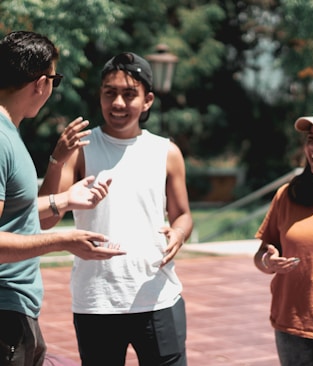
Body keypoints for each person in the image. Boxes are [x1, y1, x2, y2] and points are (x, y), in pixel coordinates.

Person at [39, 51, 193, 366]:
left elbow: (183, 214)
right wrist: (57, 160)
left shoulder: (166, 152)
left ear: (147, 100)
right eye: (110, 93)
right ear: (100, 96)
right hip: (97, 300)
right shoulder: (80, 149)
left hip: (158, 296)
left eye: (129, 94)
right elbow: (44, 220)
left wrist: (178, 234)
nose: (118, 103)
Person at [0, 30, 126, 366]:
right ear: (41, 83)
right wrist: (64, 241)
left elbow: (18, 214)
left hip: (17, 310)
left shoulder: (9, 132)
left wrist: (65, 199)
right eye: (55, 79)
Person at [254, 105, 313, 365]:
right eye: (311, 139)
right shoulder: (288, 195)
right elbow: (263, 253)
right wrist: (267, 262)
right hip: (294, 327)